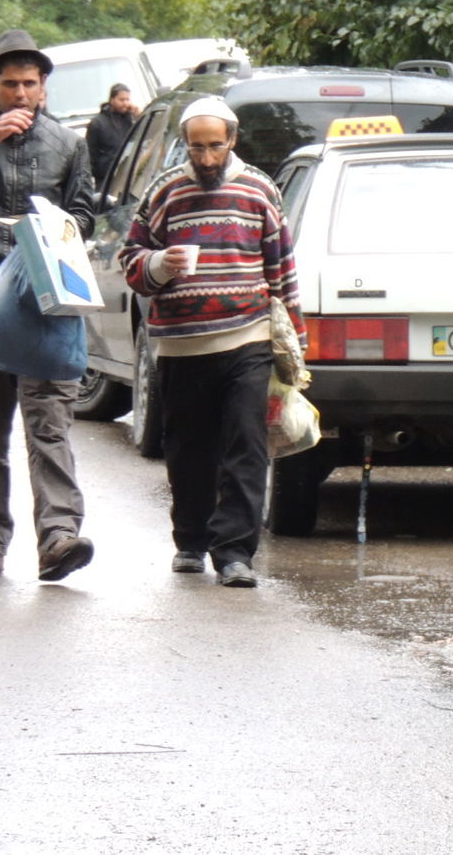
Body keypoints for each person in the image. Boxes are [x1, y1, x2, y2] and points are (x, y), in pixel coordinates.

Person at [119, 96, 305, 588]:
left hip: (248, 337)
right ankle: (190, 541)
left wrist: (297, 346)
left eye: (214, 147)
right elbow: (130, 259)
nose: (204, 158)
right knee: (188, 447)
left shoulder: (260, 191)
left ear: (233, 141)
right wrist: (159, 266)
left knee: (246, 444)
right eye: (196, 147)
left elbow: (282, 270)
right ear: (185, 144)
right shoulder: (165, 192)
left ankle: (235, 553)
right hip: (181, 344)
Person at [0, 29, 97, 581]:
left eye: (31, 84)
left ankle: (59, 537)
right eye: (11, 85)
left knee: (49, 426)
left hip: (43, 306)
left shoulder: (69, 144)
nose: (22, 95)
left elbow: (85, 215)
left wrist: (56, 228)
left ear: (45, 87)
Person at [84, 82, 138, 182]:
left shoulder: (131, 119)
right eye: (121, 100)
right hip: (106, 180)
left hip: (129, 177)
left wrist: (138, 115)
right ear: (112, 100)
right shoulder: (98, 123)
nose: (125, 103)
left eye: (127, 99)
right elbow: (89, 156)